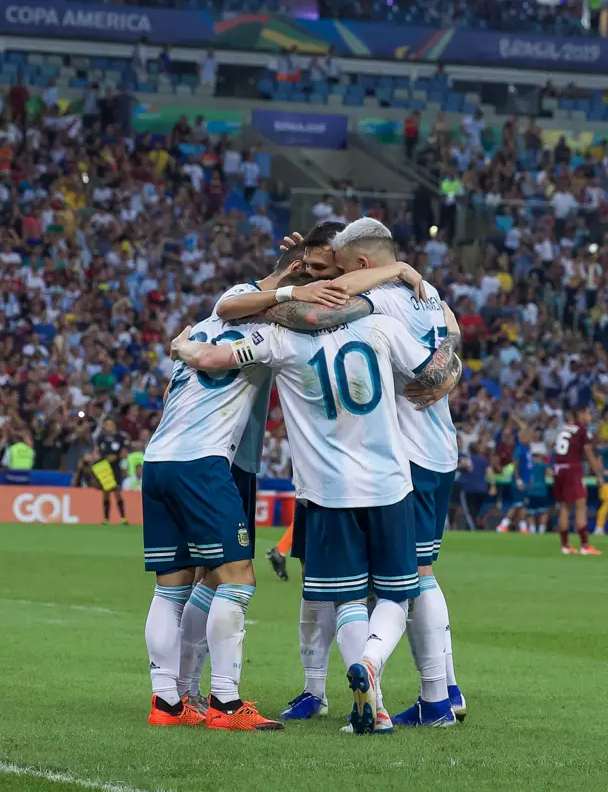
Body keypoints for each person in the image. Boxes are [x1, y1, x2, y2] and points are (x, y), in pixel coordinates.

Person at [171, 275, 459, 735]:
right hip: (391, 484)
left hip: (328, 492)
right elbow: (440, 368)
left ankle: (375, 706)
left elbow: (212, 352)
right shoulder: (381, 328)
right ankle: (377, 663)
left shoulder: (280, 340)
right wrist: (445, 365)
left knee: (344, 597)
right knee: (397, 593)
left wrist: (184, 348)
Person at [173, 245, 348, 710]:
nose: (316, 285)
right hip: (219, 457)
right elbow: (227, 306)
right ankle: (212, 697)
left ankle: (183, 692)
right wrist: (292, 286)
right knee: (226, 577)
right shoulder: (256, 307)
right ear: (293, 271)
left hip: (237, 458)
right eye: (310, 273)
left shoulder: (273, 318)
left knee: (211, 580)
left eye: (324, 275)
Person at [331, 217, 464, 727]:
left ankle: (433, 701)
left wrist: (398, 268)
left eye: (345, 267)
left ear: (364, 264)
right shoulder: (426, 293)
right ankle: (447, 690)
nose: (338, 277)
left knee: (406, 579)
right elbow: (452, 334)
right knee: (418, 571)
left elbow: (339, 292)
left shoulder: (385, 296)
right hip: (439, 446)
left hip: (404, 453)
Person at [142, 300, 287, 730]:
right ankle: (226, 702)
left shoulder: (201, 326)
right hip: (209, 463)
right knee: (238, 577)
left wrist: (180, 348)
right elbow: (210, 359)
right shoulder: (269, 332)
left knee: (173, 586)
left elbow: (172, 392)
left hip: (159, 457)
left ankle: (168, 701)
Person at [552, 407, 603, 554]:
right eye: (588, 413)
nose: (590, 417)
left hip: (558, 468)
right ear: (581, 415)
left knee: (565, 506)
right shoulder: (581, 429)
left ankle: (565, 545)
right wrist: (598, 474)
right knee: (581, 504)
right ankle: (585, 546)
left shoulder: (564, 428)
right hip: (572, 468)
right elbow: (588, 453)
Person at [94, 417, 128, 525]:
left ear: (114, 425)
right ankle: (106, 519)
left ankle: (123, 518)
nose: (108, 426)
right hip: (105, 468)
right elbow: (96, 452)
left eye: (110, 424)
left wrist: (116, 457)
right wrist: (100, 458)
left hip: (116, 467)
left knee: (117, 492)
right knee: (106, 492)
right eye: (106, 424)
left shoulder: (120, 438)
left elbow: (124, 454)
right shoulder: (101, 438)